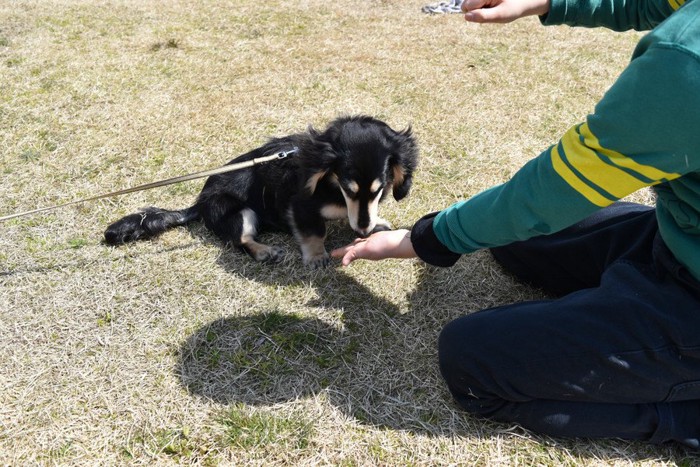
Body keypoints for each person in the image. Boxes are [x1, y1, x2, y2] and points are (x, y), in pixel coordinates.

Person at [331, 0, 700, 449]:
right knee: (513, 241)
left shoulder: (688, 64)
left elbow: (552, 191)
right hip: (682, 238)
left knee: (473, 362)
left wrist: (427, 238)